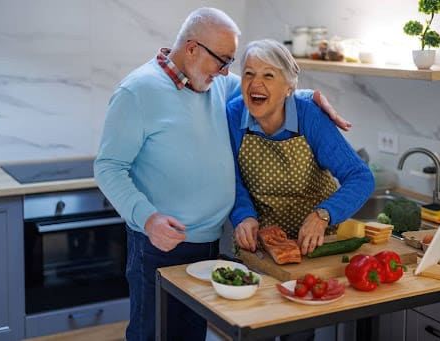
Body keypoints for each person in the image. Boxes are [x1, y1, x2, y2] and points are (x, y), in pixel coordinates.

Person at [95, 7, 350, 341]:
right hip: (160, 245)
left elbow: (262, 92)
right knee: (153, 334)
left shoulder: (215, 83)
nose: (228, 71)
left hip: (211, 245)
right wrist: (148, 219)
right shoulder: (137, 91)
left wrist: (309, 97)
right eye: (224, 61)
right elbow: (108, 167)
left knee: (190, 335)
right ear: (191, 49)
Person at [227, 39, 374, 340]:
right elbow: (233, 180)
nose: (256, 84)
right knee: (256, 328)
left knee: (298, 333)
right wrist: (243, 216)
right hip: (261, 249)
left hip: (313, 249)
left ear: (289, 88)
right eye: (249, 74)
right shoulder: (233, 116)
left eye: (269, 75)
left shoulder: (310, 116)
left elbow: (361, 177)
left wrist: (323, 214)